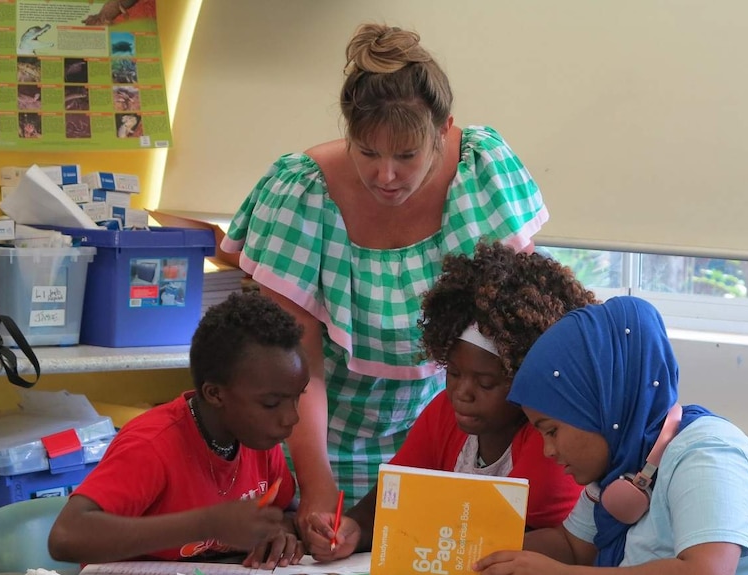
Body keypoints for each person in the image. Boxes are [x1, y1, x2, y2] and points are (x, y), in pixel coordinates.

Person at [221, 22, 549, 535]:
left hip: (447, 438)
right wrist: (317, 483)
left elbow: (523, 334)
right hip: (318, 435)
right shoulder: (301, 193)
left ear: (443, 132)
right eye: (367, 152)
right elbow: (297, 365)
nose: (385, 176)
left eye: (406, 156)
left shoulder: (481, 172)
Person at [473, 296, 748, 574]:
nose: (548, 450)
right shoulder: (622, 467)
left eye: (552, 431)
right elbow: (573, 546)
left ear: (603, 407)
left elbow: (705, 569)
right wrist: (475, 552)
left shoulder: (708, 453)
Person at [302, 242, 593, 560]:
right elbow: (395, 496)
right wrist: (352, 530)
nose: (462, 392)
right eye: (453, 373)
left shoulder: (548, 441)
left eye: (486, 383)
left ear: (527, 378)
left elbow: (542, 542)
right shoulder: (443, 412)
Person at [48, 293, 309, 571]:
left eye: (297, 397)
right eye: (271, 403)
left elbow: (284, 513)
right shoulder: (151, 446)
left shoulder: (259, 441)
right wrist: (205, 524)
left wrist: (284, 534)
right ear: (215, 394)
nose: (291, 417)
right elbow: (66, 537)